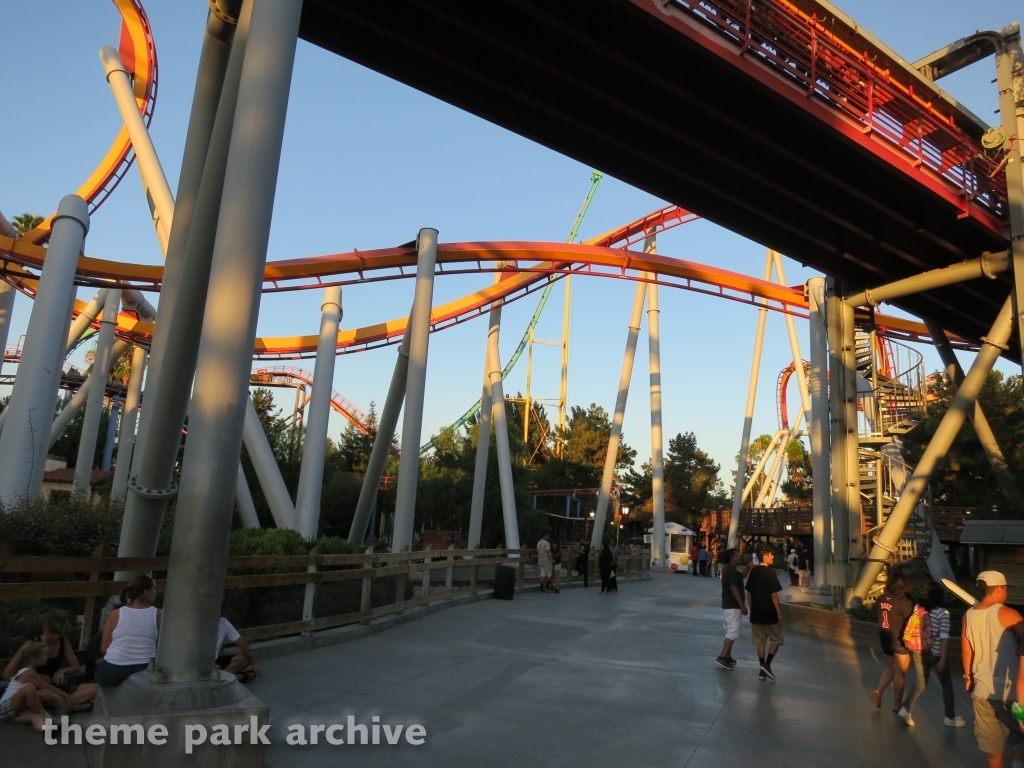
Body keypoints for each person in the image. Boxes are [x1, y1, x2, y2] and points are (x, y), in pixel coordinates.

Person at [962, 570, 1024, 767]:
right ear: (999, 589)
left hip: (982, 690)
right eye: (1005, 588)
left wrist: (968, 677)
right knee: (1019, 738)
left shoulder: (968, 615)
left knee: (991, 745)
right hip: (1012, 690)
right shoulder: (1010, 614)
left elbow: (966, 651)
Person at [3, 610, 97, 712]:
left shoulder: (63, 642)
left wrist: (63, 670)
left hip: (58, 686)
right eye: (52, 633)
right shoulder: (32, 645)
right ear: (45, 628)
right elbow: (7, 673)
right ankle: (75, 705)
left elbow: (75, 666)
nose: (56, 637)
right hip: (40, 690)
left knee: (95, 688)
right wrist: (38, 676)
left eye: (59, 634)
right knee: (46, 695)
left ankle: (65, 704)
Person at [96, 574, 161, 687]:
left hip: (113, 672)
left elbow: (104, 648)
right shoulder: (159, 615)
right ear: (145, 592)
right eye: (153, 589)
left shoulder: (115, 614)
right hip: (145, 668)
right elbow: (159, 646)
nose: (155, 592)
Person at [915, 582, 964, 727]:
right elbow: (944, 636)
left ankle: (906, 708)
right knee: (946, 685)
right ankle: (949, 717)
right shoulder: (943, 613)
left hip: (922, 651)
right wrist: (943, 658)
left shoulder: (920, 609)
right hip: (936, 653)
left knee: (921, 683)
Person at [872, 571, 914, 720]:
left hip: (884, 638)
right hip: (900, 640)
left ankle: (879, 691)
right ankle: (897, 705)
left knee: (891, 669)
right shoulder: (904, 602)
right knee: (899, 673)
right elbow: (911, 622)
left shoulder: (881, 599)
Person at [0, 643, 58, 731]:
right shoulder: (28, 672)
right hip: (4, 709)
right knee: (29, 688)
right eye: (45, 655)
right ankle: (47, 715)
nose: (48, 657)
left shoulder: (31, 672)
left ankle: (46, 730)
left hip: (13, 713)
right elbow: (47, 687)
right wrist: (66, 696)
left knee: (36, 717)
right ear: (35, 659)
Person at [745, 546, 783, 681]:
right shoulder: (771, 573)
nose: (773, 557)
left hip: (756, 612)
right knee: (777, 639)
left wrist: (752, 607)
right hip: (769, 612)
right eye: (771, 555)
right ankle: (767, 665)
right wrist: (779, 613)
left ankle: (762, 669)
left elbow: (748, 593)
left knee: (760, 641)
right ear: (765, 557)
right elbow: (774, 594)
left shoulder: (753, 572)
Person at [716, 549, 752, 670]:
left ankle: (727, 656)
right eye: (737, 556)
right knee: (733, 631)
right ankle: (722, 656)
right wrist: (742, 605)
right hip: (733, 606)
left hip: (727, 605)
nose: (739, 558)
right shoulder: (731, 571)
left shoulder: (729, 569)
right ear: (732, 558)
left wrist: (747, 568)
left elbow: (741, 576)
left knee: (729, 630)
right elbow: (733, 588)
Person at [215, 616, 262, 683]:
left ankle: (221, 676)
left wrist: (254, 662)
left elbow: (242, 644)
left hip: (214, 660)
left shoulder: (224, 623)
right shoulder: (199, 623)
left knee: (245, 658)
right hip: (201, 663)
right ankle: (241, 677)